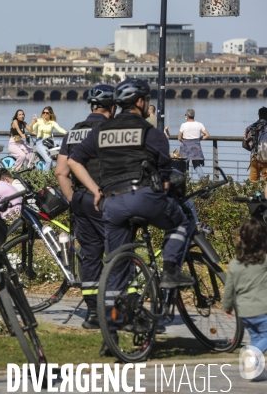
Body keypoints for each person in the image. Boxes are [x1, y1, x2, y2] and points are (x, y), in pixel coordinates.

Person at [67, 78, 195, 354]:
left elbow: (74, 160)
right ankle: (171, 269)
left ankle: (110, 336)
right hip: (143, 197)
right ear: (140, 102)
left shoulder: (101, 131)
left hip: (111, 204)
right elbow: (165, 172)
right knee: (182, 222)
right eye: (146, 99)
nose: (148, 104)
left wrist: (95, 190)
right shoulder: (150, 132)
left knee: (116, 267)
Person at [55, 84, 116, 330]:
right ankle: (117, 310)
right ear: (113, 107)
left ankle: (92, 313)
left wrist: (73, 199)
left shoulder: (73, 132)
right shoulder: (110, 130)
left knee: (90, 256)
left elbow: (61, 172)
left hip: (80, 201)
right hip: (105, 199)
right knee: (118, 252)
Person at [224, 219, 267, 382]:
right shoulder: (264, 261)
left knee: (257, 338)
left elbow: (229, 289)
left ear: (240, 239)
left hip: (244, 313)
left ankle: (256, 371)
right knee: (264, 338)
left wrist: (227, 307)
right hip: (262, 309)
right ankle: (254, 354)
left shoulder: (234, 264)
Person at [30, 106, 66, 171]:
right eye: (44, 113)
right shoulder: (38, 121)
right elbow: (31, 130)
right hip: (40, 142)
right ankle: (46, 176)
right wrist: (32, 123)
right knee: (48, 160)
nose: (45, 114)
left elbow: (60, 129)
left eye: (47, 113)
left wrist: (67, 133)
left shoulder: (52, 123)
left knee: (63, 142)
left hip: (49, 141)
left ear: (50, 114)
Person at [178, 109, 210, 179]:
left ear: (187, 116)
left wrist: (184, 141)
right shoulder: (199, 124)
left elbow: (179, 138)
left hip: (186, 148)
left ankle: (185, 181)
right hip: (196, 147)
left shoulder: (184, 125)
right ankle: (203, 180)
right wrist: (199, 139)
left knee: (185, 165)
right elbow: (207, 135)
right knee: (197, 165)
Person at [243, 107, 267, 182]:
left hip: (254, 157)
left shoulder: (250, 127)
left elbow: (244, 144)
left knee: (253, 181)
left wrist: (254, 150)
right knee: (266, 181)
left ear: (259, 115)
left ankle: (255, 193)